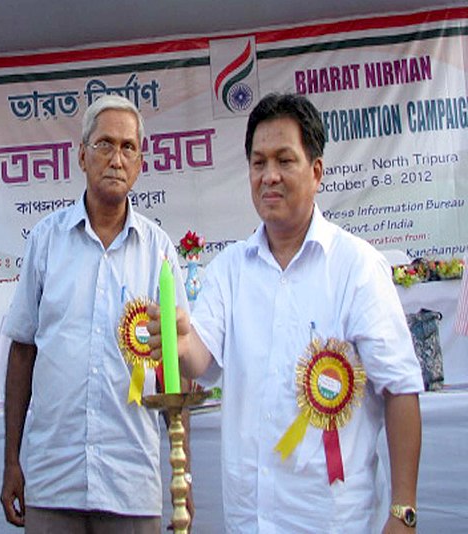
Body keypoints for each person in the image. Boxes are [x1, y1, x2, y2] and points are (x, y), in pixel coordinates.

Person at [149, 93, 423, 532]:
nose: (269, 176)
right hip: (250, 520)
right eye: (258, 163)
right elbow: (198, 358)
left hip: (334, 521)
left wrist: (403, 511)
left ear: (316, 172)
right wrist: (176, 333)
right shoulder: (229, 270)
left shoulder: (356, 267)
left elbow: (401, 389)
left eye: (284, 160)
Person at [0, 94, 191, 533]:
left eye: (128, 147)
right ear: (81, 155)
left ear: (141, 162)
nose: (116, 159)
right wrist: (12, 459)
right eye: (104, 144)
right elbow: (22, 353)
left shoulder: (158, 251)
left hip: (131, 482)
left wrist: (184, 473)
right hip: (53, 479)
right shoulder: (46, 241)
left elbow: (174, 368)